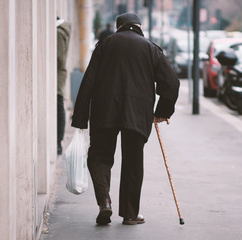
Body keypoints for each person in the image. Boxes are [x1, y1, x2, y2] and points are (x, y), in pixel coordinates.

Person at [71, 12, 179, 225]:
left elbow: (88, 82)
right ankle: (130, 214)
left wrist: (81, 118)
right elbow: (172, 83)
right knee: (133, 161)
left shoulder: (104, 45)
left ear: (119, 27)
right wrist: (162, 111)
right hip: (137, 113)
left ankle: (105, 202)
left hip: (104, 110)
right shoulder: (150, 48)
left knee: (99, 156)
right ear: (138, 26)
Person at [57, 17, 71, 155]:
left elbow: (59, 58)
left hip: (58, 76)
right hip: (59, 75)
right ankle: (58, 142)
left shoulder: (59, 33)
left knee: (59, 106)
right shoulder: (62, 31)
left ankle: (58, 143)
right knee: (59, 107)